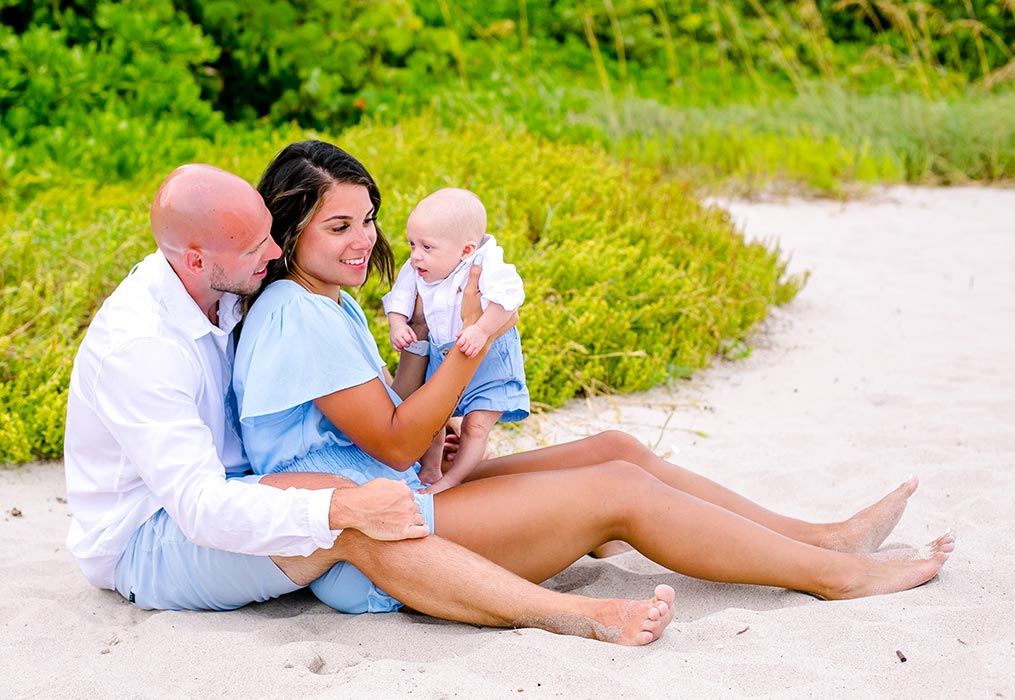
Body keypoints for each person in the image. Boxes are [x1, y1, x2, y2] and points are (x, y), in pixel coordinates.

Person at [233, 139, 954, 620]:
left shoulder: (328, 301)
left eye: (368, 219)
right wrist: (472, 343)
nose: (364, 240)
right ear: (290, 228)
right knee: (620, 492)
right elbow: (392, 445)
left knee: (617, 448)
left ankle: (824, 540)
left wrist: (433, 413)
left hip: (393, 489)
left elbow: (386, 421)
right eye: (339, 227)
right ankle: (838, 576)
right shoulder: (296, 314)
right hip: (373, 543)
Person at [63, 162, 678, 646]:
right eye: (257, 248)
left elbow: (354, 413)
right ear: (197, 259)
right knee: (347, 521)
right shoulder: (141, 346)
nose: (274, 254)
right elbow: (198, 508)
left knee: (613, 457)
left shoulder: (228, 289)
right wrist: (338, 506)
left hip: (246, 488)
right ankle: (570, 614)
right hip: (150, 543)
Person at [382, 187, 528, 493]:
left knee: (476, 427)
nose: (415, 255)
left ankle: (454, 478)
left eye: (427, 247)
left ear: (465, 250)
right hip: (443, 355)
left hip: (489, 360)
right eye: (411, 244)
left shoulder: (486, 264)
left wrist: (481, 329)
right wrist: (397, 325)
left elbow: (509, 299)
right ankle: (431, 470)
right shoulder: (417, 268)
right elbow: (400, 297)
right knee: (431, 421)